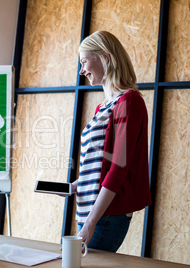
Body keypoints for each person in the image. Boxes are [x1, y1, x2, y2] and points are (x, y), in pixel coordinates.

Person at [70, 31, 152, 252]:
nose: (82, 70)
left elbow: (118, 168)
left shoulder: (129, 102)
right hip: (91, 212)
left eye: (84, 61)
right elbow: (99, 166)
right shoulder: (103, 107)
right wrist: (74, 186)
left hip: (105, 215)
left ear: (105, 57)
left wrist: (90, 223)